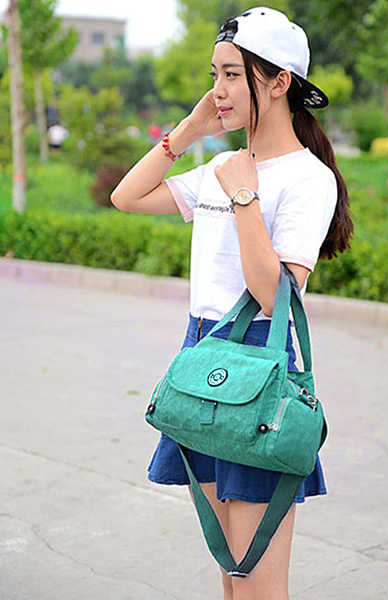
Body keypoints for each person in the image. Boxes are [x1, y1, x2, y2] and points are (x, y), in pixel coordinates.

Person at [111, 6, 353, 599]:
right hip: (203, 359)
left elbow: (275, 295)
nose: (217, 90)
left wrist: (246, 196)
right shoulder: (220, 165)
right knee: (232, 577)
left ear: (279, 83)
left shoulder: (308, 179)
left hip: (258, 368)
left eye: (232, 75)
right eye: (214, 75)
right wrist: (190, 131)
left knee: (258, 586)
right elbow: (127, 196)